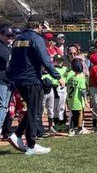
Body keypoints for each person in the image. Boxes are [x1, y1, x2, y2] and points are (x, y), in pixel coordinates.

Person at [6, 15, 61, 155]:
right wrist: (57, 76)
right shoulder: (36, 39)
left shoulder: (18, 39)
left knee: (31, 109)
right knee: (34, 111)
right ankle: (31, 144)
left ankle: (17, 134)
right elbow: (45, 60)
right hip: (32, 80)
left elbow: (11, 61)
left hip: (18, 80)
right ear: (39, 25)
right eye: (42, 26)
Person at [66, 59, 88, 135]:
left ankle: (71, 129)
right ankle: (79, 128)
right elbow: (83, 91)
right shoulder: (81, 79)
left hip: (70, 99)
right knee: (79, 113)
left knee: (72, 114)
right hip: (77, 99)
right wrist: (85, 100)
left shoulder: (70, 79)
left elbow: (67, 89)